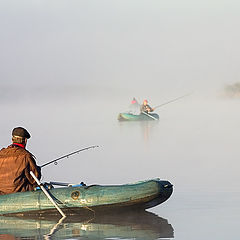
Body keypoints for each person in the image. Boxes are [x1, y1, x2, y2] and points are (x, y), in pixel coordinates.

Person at [0, 127, 41, 195]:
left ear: (12, 139)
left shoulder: (1, 154)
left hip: (1, 195)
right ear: (25, 140)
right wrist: (38, 170)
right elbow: (34, 179)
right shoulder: (26, 156)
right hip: (19, 195)